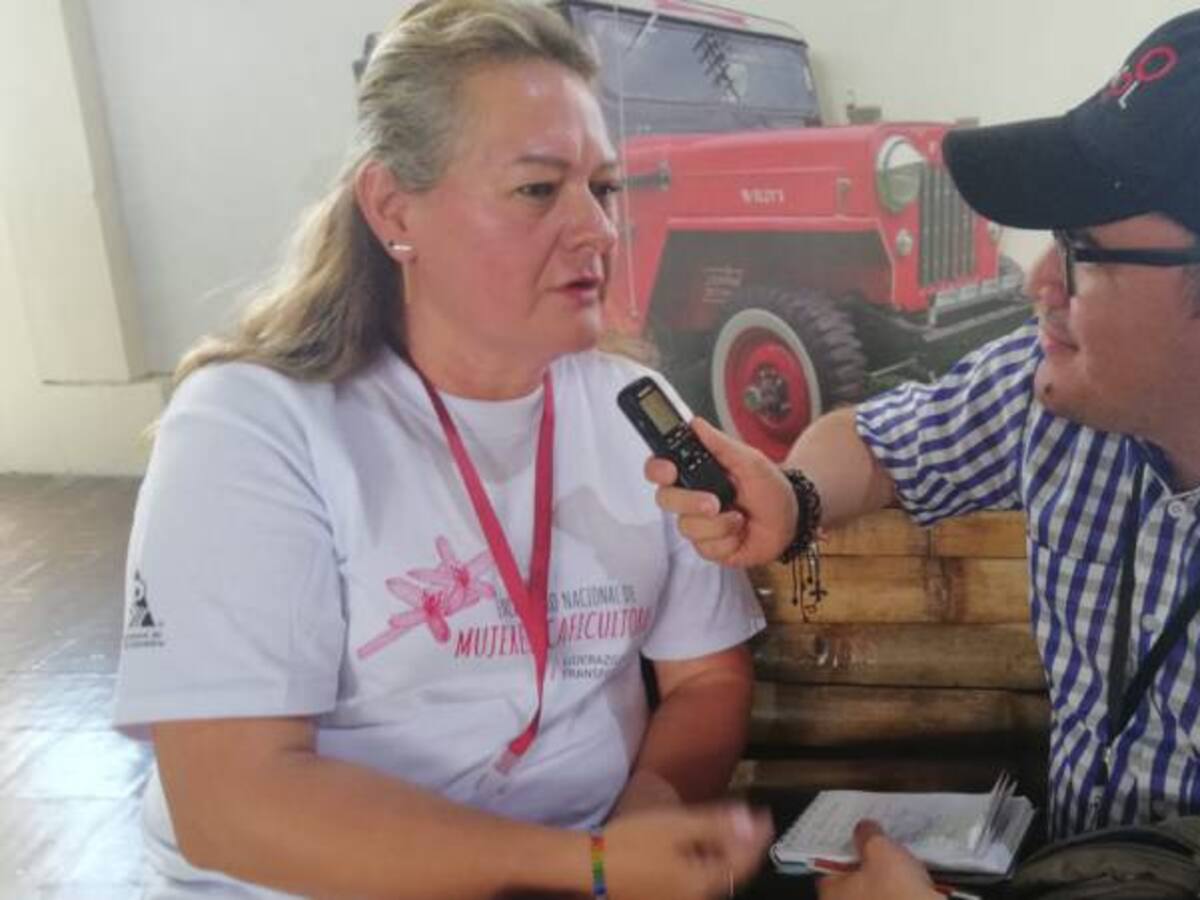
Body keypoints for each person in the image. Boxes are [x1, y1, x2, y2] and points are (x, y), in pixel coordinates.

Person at [113, 1, 773, 897]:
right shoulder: (254, 427)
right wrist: (584, 870)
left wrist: (649, 817)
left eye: (604, 188)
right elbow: (230, 799)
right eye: (539, 189)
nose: (597, 230)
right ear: (394, 209)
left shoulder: (632, 408)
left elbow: (705, 677)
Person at [648, 5, 1200, 886]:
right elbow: (875, 441)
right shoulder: (1050, 394)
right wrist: (792, 497)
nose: (1039, 283)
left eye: (1081, 249)